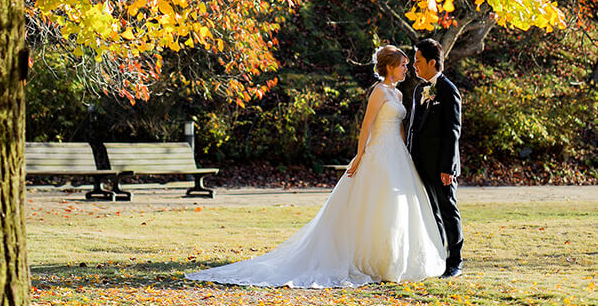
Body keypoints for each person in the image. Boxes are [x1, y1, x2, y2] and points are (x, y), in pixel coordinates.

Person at [185, 45, 445, 288]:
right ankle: (374, 260)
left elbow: (399, 127)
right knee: (376, 205)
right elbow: (366, 126)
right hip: (379, 155)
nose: (406, 69)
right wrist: (359, 155)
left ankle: (393, 259)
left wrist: (406, 153)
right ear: (389, 67)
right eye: (402, 65)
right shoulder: (379, 92)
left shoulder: (399, 93)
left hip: (397, 155)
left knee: (397, 208)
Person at [407, 38, 464, 278]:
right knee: (431, 213)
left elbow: (453, 131)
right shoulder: (420, 89)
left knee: (448, 210)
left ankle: (455, 261)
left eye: (418, 61)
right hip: (419, 163)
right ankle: (439, 257)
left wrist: (448, 168)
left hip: (441, 166)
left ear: (432, 62)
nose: (413, 65)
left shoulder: (449, 90)